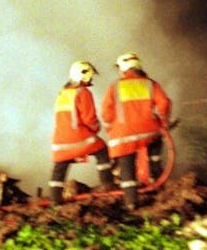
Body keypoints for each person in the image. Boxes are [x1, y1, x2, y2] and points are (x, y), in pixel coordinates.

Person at [101, 52, 172, 210]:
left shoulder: (114, 87)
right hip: (149, 132)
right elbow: (164, 103)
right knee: (155, 153)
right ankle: (158, 186)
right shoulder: (150, 84)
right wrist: (162, 122)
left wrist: (110, 128)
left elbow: (106, 113)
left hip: (124, 135)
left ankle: (131, 202)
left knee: (127, 167)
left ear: (123, 69)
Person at [48, 60, 115, 205]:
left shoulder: (63, 93)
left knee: (59, 168)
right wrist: (96, 128)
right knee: (102, 150)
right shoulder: (83, 92)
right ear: (84, 76)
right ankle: (109, 186)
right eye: (90, 76)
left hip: (59, 141)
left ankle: (54, 199)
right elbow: (89, 118)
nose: (91, 79)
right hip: (78, 138)